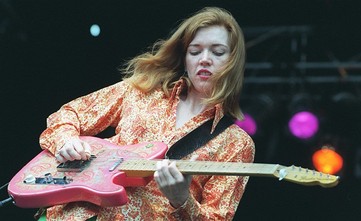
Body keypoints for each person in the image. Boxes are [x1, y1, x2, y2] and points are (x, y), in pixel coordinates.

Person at [36, 6, 255, 221]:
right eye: (195, 51)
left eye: (217, 52)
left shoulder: (237, 145)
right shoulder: (141, 92)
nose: (204, 59)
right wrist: (67, 141)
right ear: (185, 59)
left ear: (233, 62)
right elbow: (70, 112)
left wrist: (182, 200)